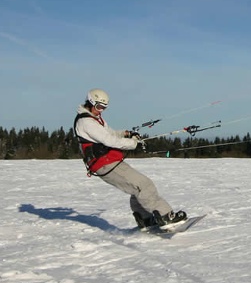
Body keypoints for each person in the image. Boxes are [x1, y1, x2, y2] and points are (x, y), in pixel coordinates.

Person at [73, 88, 186, 228]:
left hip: (108, 161)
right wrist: (132, 144)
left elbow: (111, 133)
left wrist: (125, 134)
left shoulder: (95, 118)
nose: (101, 110)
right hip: (104, 163)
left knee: (136, 188)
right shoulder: (86, 122)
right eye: (99, 107)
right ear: (90, 102)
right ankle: (166, 216)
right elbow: (109, 140)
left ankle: (145, 219)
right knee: (144, 185)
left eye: (104, 107)